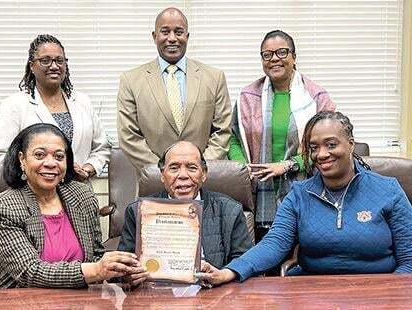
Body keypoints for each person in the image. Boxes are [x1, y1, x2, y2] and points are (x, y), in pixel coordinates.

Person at [199, 111, 412, 285]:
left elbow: (409, 261)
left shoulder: (387, 190)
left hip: (376, 290)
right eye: (313, 147)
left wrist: (390, 294)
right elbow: (274, 244)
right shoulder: (299, 195)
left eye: (331, 144)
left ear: (351, 144)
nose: (321, 154)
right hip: (311, 291)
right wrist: (228, 272)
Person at [0, 124, 147, 290]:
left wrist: (121, 273)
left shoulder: (82, 195)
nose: (51, 163)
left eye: (59, 156)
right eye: (39, 155)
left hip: (73, 299)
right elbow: (29, 272)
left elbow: (96, 255)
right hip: (12, 299)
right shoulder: (2, 207)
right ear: (22, 160)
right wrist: (96, 270)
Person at [229, 30, 335, 230]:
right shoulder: (247, 97)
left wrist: (288, 165)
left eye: (282, 52)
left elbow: (326, 148)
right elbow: (234, 138)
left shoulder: (316, 97)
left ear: (294, 57)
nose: (274, 59)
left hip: (305, 188)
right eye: (267, 55)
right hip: (257, 190)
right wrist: (243, 168)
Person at [117, 7, 231, 174]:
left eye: (178, 32)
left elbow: (223, 130)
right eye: (165, 32)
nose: (172, 38)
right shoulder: (131, 80)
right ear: (154, 37)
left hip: (203, 183)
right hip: (154, 183)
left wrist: (198, 168)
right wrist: (165, 171)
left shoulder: (214, 78)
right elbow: (128, 137)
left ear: (187, 36)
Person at [0, 34, 110, 182]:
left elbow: (102, 148)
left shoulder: (83, 101)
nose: (54, 66)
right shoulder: (15, 105)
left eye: (59, 61)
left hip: (79, 193)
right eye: (45, 61)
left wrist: (87, 169)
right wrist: (37, 168)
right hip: (34, 196)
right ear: (32, 65)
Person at [117, 141, 253, 273]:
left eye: (192, 168)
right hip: (157, 292)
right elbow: (122, 269)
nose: (183, 175)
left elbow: (244, 264)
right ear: (162, 175)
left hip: (213, 292)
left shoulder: (230, 210)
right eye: (174, 168)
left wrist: (221, 275)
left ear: (204, 174)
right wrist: (129, 275)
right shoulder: (138, 212)